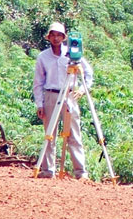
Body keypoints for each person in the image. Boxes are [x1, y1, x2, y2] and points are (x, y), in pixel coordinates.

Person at [32, 22, 93, 179]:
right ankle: (47, 171)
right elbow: (38, 82)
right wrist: (40, 103)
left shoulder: (73, 53)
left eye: (59, 35)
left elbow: (88, 73)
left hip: (69, 95)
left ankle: (80, 172)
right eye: (53, 35)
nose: (56, 38)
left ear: (64, 37)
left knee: (74, 134)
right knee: (49, 134)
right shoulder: (42, 57)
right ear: (49, 37)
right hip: (50, 96)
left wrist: (81, 90)